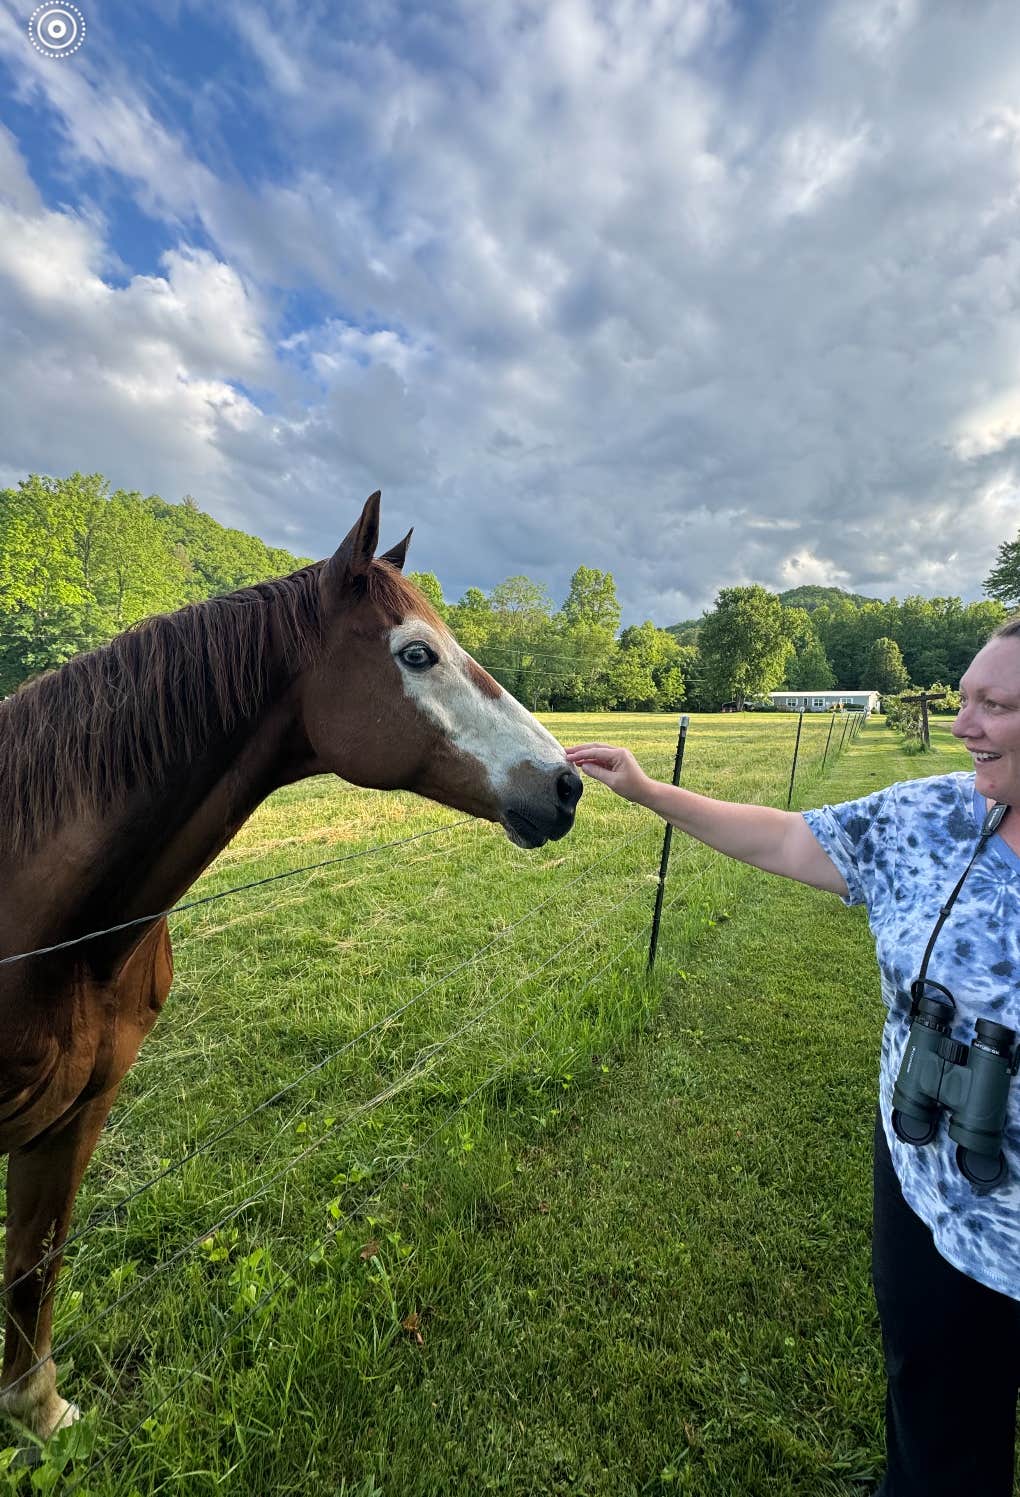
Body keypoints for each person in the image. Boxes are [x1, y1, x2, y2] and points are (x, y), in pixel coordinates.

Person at [566, 617, 1020, 1497]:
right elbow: (785, 839)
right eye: (962, 697)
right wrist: (651, 791)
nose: (964, 722)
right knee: (935, 1445)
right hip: (928, 1185)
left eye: (994, 704)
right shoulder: (931, 816)